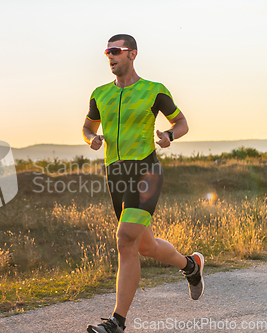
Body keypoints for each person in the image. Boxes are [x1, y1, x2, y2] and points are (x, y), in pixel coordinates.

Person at [82, 34, 204, 333]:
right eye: (107, 52)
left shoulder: (153, 91)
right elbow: (87, 127)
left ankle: (117, 321)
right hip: (116, 174)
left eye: (116, 51)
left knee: (125, 240)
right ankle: (191, 266)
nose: (110, 57)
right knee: (144, 245)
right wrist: (91, 139)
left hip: (146, 170)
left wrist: (170, 136)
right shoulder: (100, 94)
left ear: (132, 54)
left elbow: (182, 123)